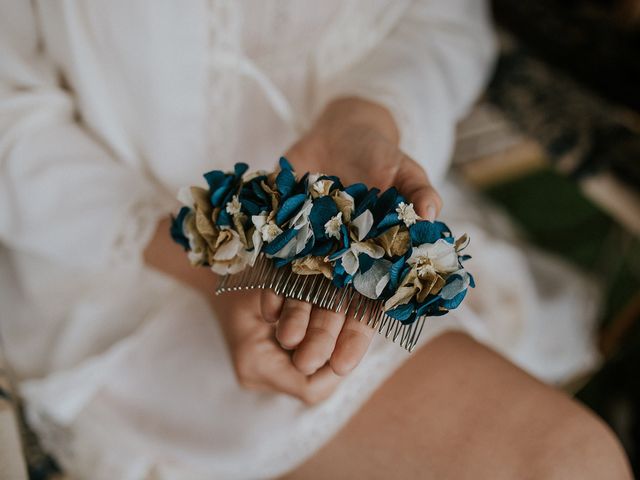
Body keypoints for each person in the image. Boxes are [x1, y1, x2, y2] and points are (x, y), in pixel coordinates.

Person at [0, 1, 631, 478]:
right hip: (113, 251)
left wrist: (365, 115)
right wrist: (215, 265)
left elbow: (442, 17)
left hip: (346, 207)